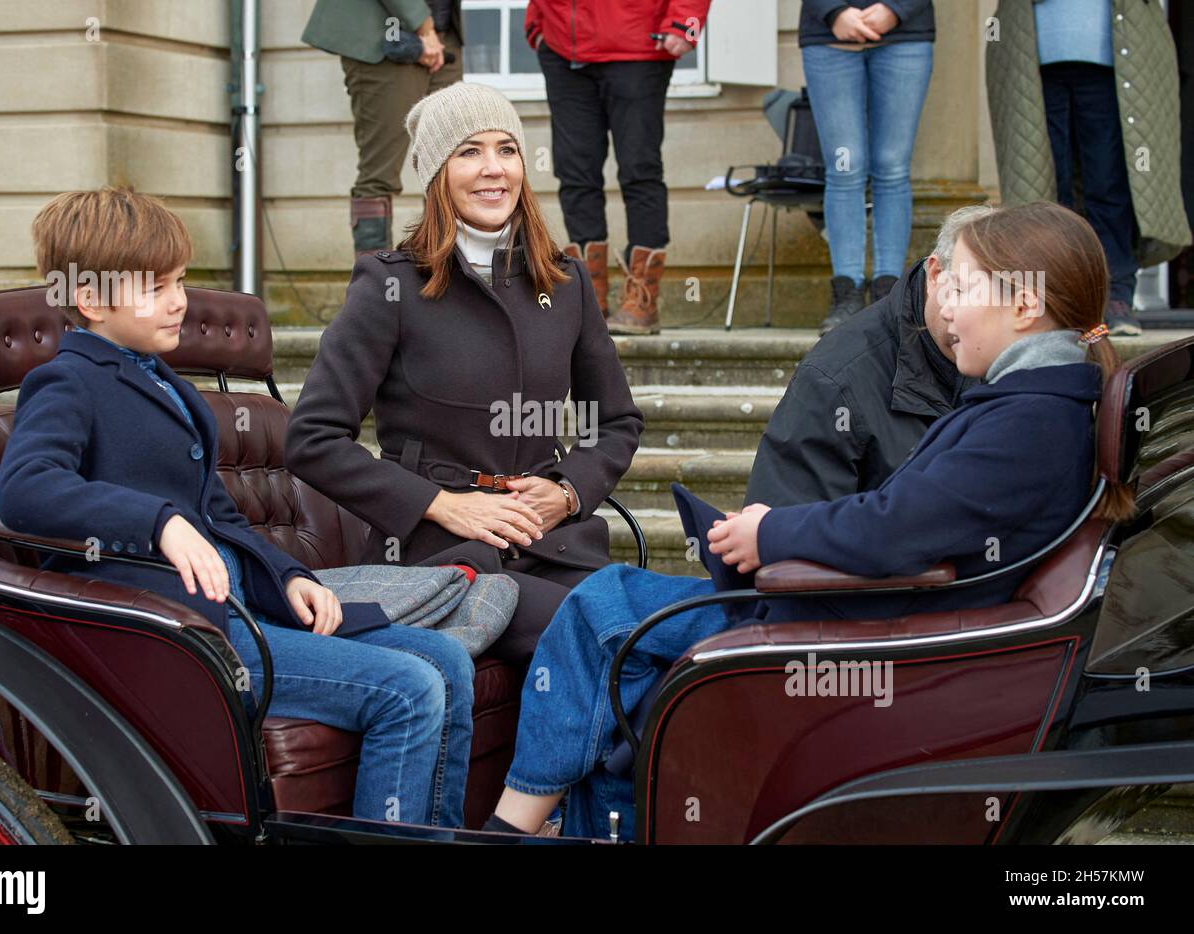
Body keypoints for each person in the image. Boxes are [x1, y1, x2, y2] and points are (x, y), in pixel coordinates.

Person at [482, 201, 1135, 839]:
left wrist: (767, 533)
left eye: (965, 289)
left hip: (871, 633)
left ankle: (510, 827)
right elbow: (908, 519)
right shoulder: (1041, 402)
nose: (949, 308)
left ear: (1025, 306)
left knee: (602, 608)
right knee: (618, 647)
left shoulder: (1025, 421)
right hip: (898, 622)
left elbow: (894, 529)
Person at [0, 187, 475, 828]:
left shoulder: (168, 384)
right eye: (155, 287)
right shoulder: (67, 381)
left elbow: (222, 518)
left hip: (244, 611)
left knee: (447, 660)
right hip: (178, 636)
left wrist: (293, 576)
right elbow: (25, 488)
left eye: (181, 281)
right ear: (91, 301)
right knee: (408, 689)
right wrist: (158, 522)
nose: (178, 301)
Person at [284, 82, 644, 666]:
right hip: (440, 555)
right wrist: (442, 504)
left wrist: (568, 491)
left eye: (507, 150)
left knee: (666, 629)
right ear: (437, 174)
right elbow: (312, 439)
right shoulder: (388, 285)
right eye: (469, 152)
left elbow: (617, 421)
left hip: (554, 544)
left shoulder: (566, 281)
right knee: (599, 639)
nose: (492, 170)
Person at [745, 203, 992, 507]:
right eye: (966, 294)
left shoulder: (1022, 356)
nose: (978, 320)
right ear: (936, 273)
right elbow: (788, 525)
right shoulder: (835, 378)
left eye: (995, 305)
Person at [987, 0, 1191, 337]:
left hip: (1113, 61)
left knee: (1110, 181)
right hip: (1032, 61)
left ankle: (1117, 296)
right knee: (1045, 192)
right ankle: (1053, 298)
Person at [524, 0, 712, 334]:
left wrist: (686, 21)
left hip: (637, 46)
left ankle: (642, 300)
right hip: (562, 49)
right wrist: (536, 23)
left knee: (640, 172)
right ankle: (588, 298)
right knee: (573, 172)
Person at [798, 1, 936, 334]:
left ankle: (889, 294)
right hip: (828, 38)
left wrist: (896, 8)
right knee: (845, 167)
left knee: (892, 168)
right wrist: (834, 11)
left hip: (906, 36)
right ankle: (847, 295)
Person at [302, 0, 464, 256]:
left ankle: (446, 282)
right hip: (384, 38)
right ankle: (376, 287)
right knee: (379, 175)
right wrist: (425, 28)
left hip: (445, 38)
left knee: (450, 170)